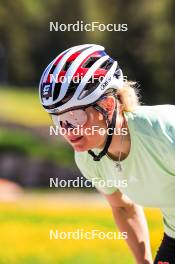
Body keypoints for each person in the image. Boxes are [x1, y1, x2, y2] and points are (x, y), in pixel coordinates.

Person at [39, 44, 175, 264]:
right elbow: (123, 207)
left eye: (74, 117)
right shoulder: (88, 157)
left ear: (109, 104)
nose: (66, 130)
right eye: (58, 119)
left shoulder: (165, 131)